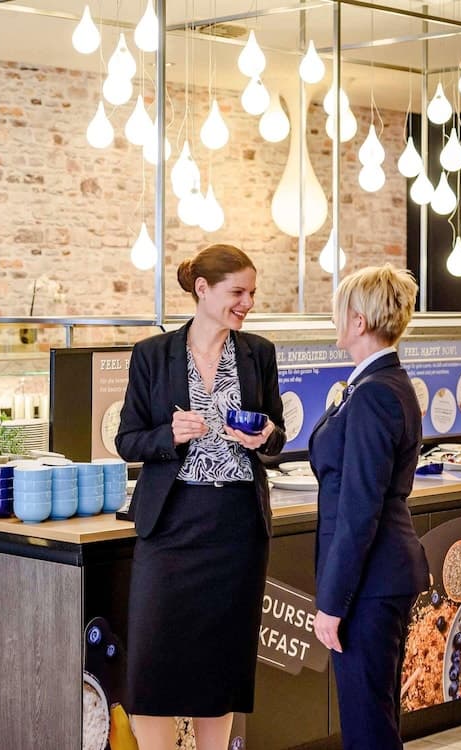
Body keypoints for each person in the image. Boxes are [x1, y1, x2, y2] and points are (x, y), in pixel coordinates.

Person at [116, 243, 285, 750]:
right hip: (170, 527)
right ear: (203, 289)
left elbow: (277, 436)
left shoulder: (258, 353)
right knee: (152, 673)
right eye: (238, 292)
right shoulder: (152, 355)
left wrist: (265, 437)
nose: (247, 303)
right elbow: (127, 441)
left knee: (220, 671)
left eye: (252, 293)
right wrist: (168, 435)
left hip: (236, 529)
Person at [310, 264, 429, 749]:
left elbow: (359, 511)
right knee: (376, 721)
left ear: (358, 321)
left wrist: (332, 603)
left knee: (368, 730)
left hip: (370, 583)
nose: (334, 319)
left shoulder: (374, 393)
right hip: (381, 577)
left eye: (340, 311)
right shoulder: (381, 384)